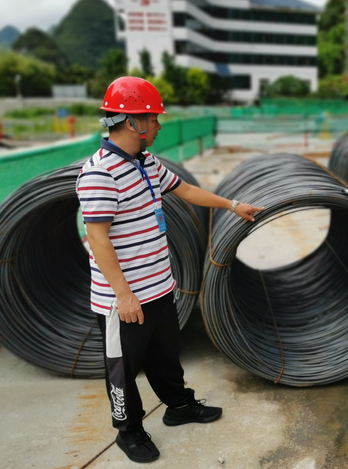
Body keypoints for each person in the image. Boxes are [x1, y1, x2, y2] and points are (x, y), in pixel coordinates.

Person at [76, 76, 264, 463]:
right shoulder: (100, 174)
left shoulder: (146, 162)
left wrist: (232, 205)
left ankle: (179, 406)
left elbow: (186, 191)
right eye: (154, 118)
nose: (160, 125)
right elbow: (98, 240)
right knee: (123, 370)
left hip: (159, 287)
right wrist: (124, 296)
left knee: (165, 355)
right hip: (122, 299)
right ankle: (129, 432)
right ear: (133, 123)